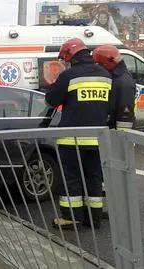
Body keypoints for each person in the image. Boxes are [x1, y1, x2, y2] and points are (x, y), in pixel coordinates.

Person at [45, 38, 112, 229]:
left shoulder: (69, 76)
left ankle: (71, 217)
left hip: (72, 137)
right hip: (98, 137)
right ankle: (94, 218)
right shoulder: (105, 75)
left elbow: (51, 100)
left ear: (69, 55)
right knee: (94, 177)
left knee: (71, 177)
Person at [92, 44, 136, 131]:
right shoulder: (117, 77)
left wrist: (122, 138)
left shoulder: (123, 82)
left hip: (120, 135)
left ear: (106, 64)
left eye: (98, 64)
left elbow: (125, 114)